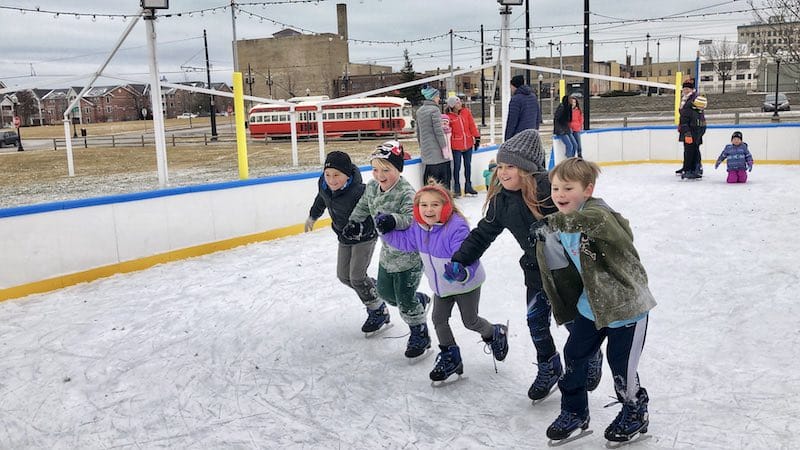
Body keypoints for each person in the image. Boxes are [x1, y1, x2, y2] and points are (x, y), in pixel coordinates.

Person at [450, 129, 602, 401]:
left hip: (567, 274)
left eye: (511, 166)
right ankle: (549, 365)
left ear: (528, 169)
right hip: (535, 272)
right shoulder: (501, 200)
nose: (503, 172)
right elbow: (484, 233)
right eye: (500, 166)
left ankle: (591, 354)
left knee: (572, 322)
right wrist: (461, 259)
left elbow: (582, 217)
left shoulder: (549, 192)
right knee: (536, 323)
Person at [529, 157, 656, 444]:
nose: (559, 195)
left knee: (621, 366)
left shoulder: (598, 214)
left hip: (626, 307)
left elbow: (587, 221)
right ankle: (575, 412)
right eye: (556, 188)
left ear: (588, 189)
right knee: (574, 356)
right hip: (592, 305)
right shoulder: (563, 223)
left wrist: (550, 221)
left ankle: (635, 410)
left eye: (568, 188)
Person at [378, 182, 508, 382]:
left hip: (466, 284)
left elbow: (469, 254)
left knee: (470, 321)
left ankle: (494, 332)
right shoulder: (418, 227)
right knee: (439, 319)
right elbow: (405, 242)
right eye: (424, 205)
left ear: (446, 206)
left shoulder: (456, 227)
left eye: (435, 205)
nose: (429, 210)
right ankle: (450, 356)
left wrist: (461, 271)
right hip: (441, 287)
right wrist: (385, 230)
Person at [343, 140, 431, 358]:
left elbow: (412, 217)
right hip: (388, 254)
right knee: (385, 294)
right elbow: (363, 205)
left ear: (398, 170)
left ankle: (420, 333)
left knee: (404, 300)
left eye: (386, 170)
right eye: (375, 169)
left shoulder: (406, 192)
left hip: (410, 257)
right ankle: (418, 300)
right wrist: (354, 221)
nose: (380, 175)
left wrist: (393, 220)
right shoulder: (372, 187)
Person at [304, 151, 381, 333]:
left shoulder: (358, 191)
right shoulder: (324, 185)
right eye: (328, 174)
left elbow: (374, 214)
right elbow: (320, 200)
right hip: (343, 235)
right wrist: (313, 216)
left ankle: (378, 310)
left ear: (347, 174)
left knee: (357, 277)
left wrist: (361, 229)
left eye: (336, 175)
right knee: (344, 276)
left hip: (365, 237)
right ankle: (379, 289)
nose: (331, 180)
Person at [416, 86, 452, 187]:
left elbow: (418, 132)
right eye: (437, 97)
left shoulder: (419, 111)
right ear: (432, 97)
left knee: (429, 179)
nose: (439, 99)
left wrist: (422, 146)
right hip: (438, 154)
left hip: (427, 154)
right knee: (443, 181)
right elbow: (438, 131)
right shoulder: (434, 110)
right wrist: (444, 148)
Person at [446, 96, 481, 197]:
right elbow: (448, 132)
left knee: (468, 165)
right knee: (456, 167)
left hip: (468, 143)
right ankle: (457, 188)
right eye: (457, 103)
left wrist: (477, 137)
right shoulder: (449, 117)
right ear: (452, 105)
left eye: (460, 102)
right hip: (456, 145)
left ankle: (468, 186)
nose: (460, 104)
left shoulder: (466, 112)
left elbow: (472, 125)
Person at [678, 79, 707, 179]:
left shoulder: (694, 100)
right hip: (690, 127)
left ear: (692, 89)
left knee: (693, 149)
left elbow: (688, 116)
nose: (685, 90)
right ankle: (687, 167)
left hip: (693, 128)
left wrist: (687, 132)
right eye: (684, 88)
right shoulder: (686, 99)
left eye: (687, 88)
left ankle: (695, 169)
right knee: (688, 149)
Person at [505, 75, 542, 140]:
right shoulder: (533, 97)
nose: (511, 89)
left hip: (519, 137)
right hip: (532, 135)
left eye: (511, 86)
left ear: (514, 86)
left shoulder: (516, 99)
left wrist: (507, 138)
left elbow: (512, 121)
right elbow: (538, 117)